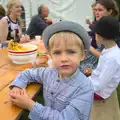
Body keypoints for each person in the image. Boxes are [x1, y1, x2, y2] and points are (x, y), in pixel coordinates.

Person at [9, 21, 94, 120]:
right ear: (50, 55)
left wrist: (30, 105)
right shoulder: (49, 73)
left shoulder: (84, 88)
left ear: (82, 55)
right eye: (57, 52)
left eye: (71, 52)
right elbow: (27, 73)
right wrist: (18, 86)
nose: (64, 58)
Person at [80, 0, 119, 73]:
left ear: (110, 11)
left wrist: (89, 46)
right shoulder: (99, 25)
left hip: (100, 68)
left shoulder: (114, 29)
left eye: (100, 10)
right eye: (95, 10)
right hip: (89, 61)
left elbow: (110, 57)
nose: (96, 13)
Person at [88, 16, 120, 100]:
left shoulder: (112, 58)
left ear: (99, 37)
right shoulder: (110, 49)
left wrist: (83, 86)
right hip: (95, 83)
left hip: (99, 93)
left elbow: (99, 85)